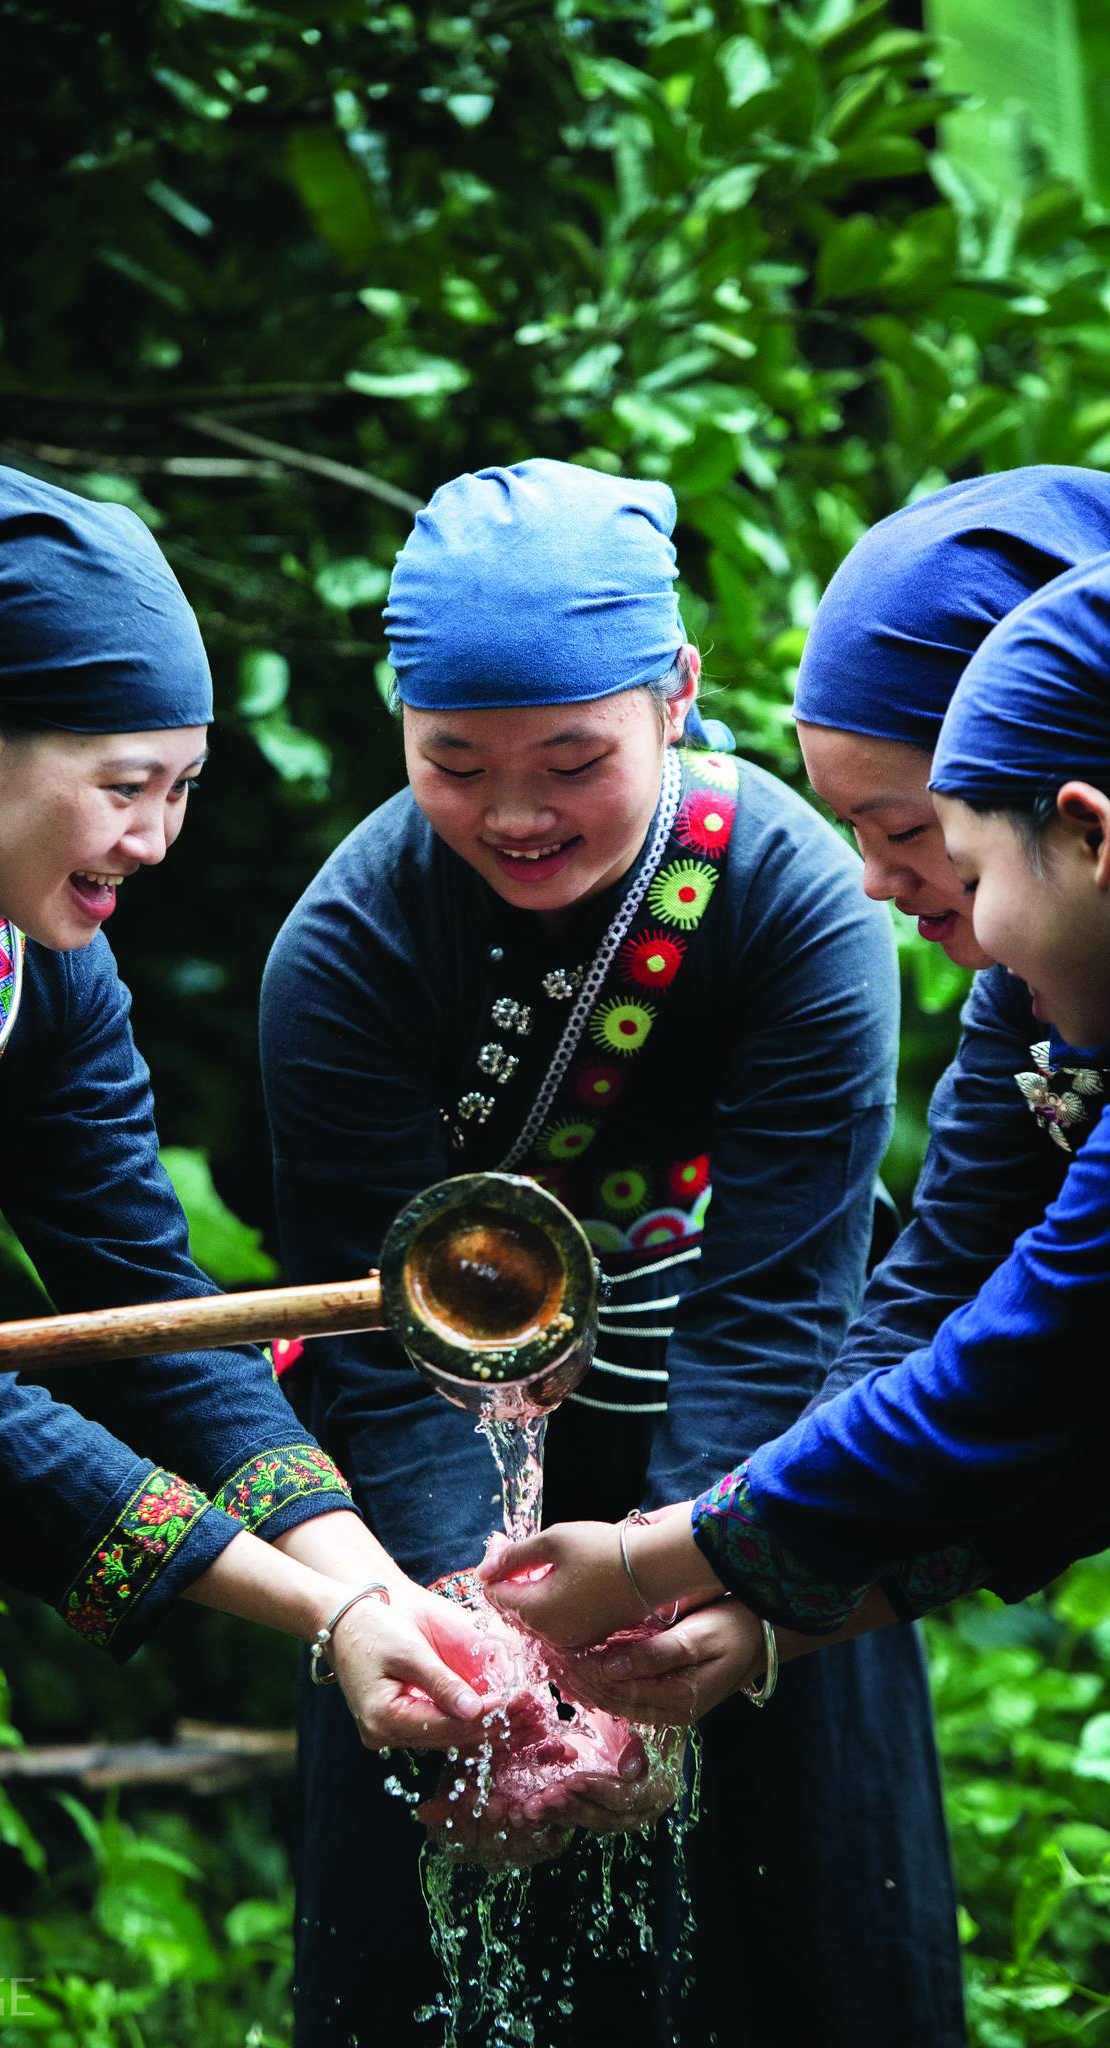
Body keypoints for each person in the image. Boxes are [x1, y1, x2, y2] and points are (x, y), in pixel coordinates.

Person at [0, 459, 493, 2043]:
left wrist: (377, 1587)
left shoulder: (45, 966)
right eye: (124, 784)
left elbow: (150, 1311)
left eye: (185, 792)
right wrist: (324, 1624)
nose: (154, 838)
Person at [261, 458, 964, 2047]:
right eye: (453, 764)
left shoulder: (799, 903)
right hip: (452, 1511)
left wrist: (686, 1583)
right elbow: (369, 1343)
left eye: (573, 759)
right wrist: (486, 1641)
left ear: (678, 699)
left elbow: (784, 1298)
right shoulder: (350, 945)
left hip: (756, 1473)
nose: (513, 813)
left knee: (800, 1961)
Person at [482, 467, 1110, 1692]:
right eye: (855, 834)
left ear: (1081, 826)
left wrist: (668, 1551)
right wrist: (773, 1604)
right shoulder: (1033, 998)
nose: (876, 884)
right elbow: (941, 1290)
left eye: (923, 833)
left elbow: (1042, 1355)